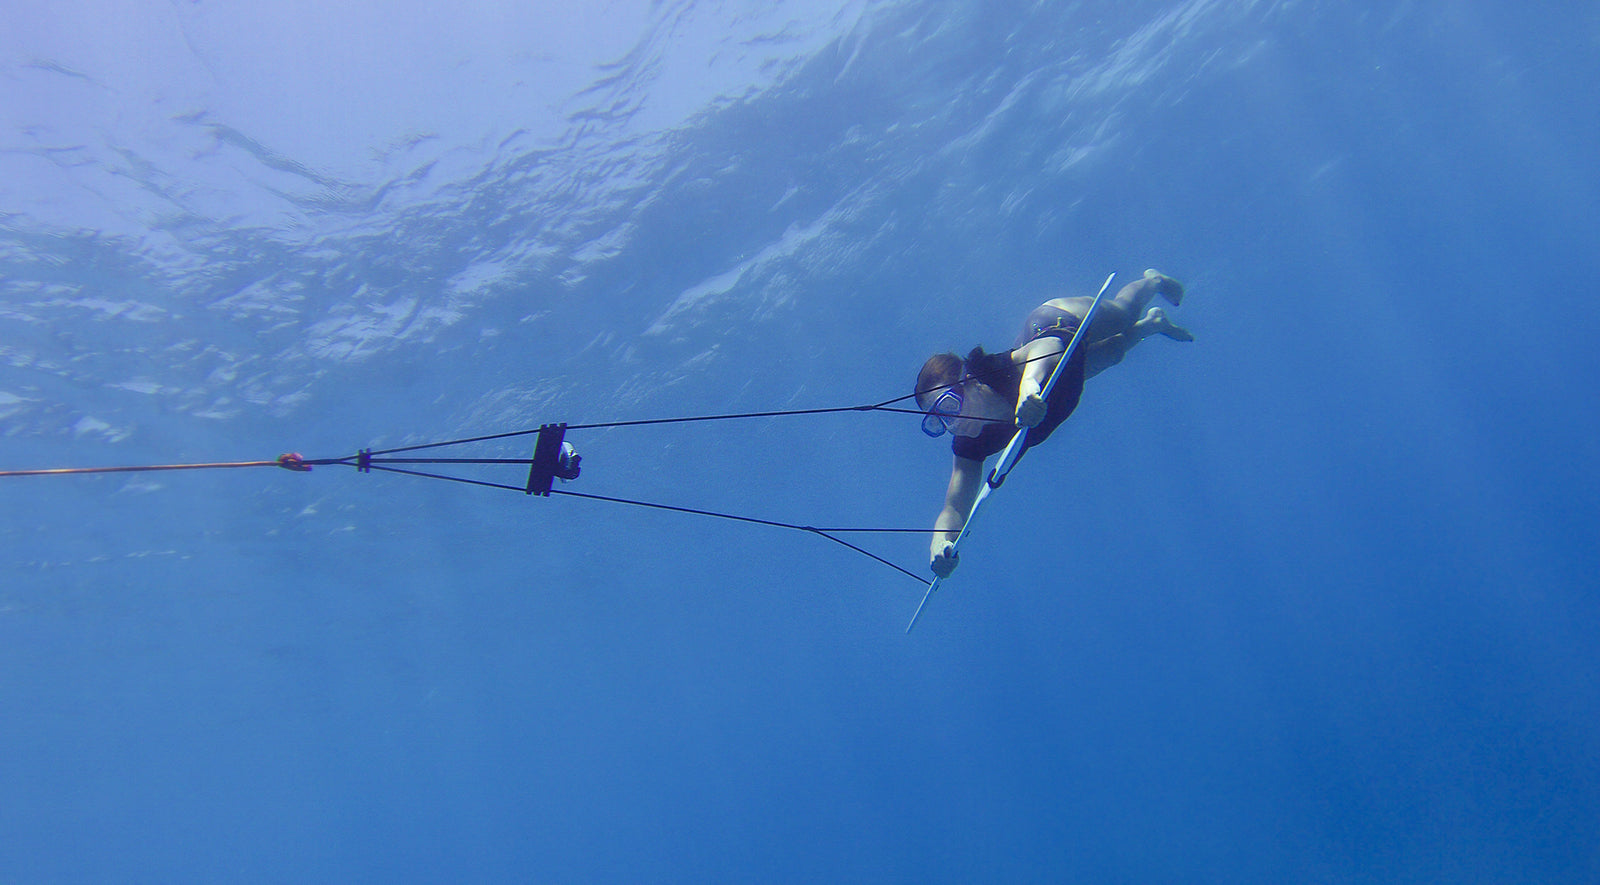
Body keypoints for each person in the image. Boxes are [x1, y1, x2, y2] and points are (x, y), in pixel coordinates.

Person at [916, 269, 1192, 578]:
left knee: (1122, 315)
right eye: (938, 423)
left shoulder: (993, 369)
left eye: (949, 408)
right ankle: (1153, 325)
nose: (953, 426)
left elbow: (1044, 348)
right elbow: (953, 507)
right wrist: (939, 545)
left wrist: (1029, 389)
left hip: (1058, 324)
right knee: (1112, 354)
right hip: (1063, 389)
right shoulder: (969, 444)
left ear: (967, 381)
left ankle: (1153, 281)